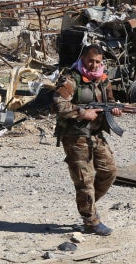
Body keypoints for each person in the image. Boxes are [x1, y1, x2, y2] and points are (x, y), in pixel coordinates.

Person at [52, 44, 122, 236]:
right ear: (83, 58)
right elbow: (58, 104)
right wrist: (83, 112)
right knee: (85, 180)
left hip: (95, 134)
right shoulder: (71, 78)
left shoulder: (103, 79)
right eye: (90, 60)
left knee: (109, 171)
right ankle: (90, 220)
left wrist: (115, 109)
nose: (93, 65)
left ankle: (87, 206)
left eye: (98, 61)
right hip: (74, 135)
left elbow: (110, 101)